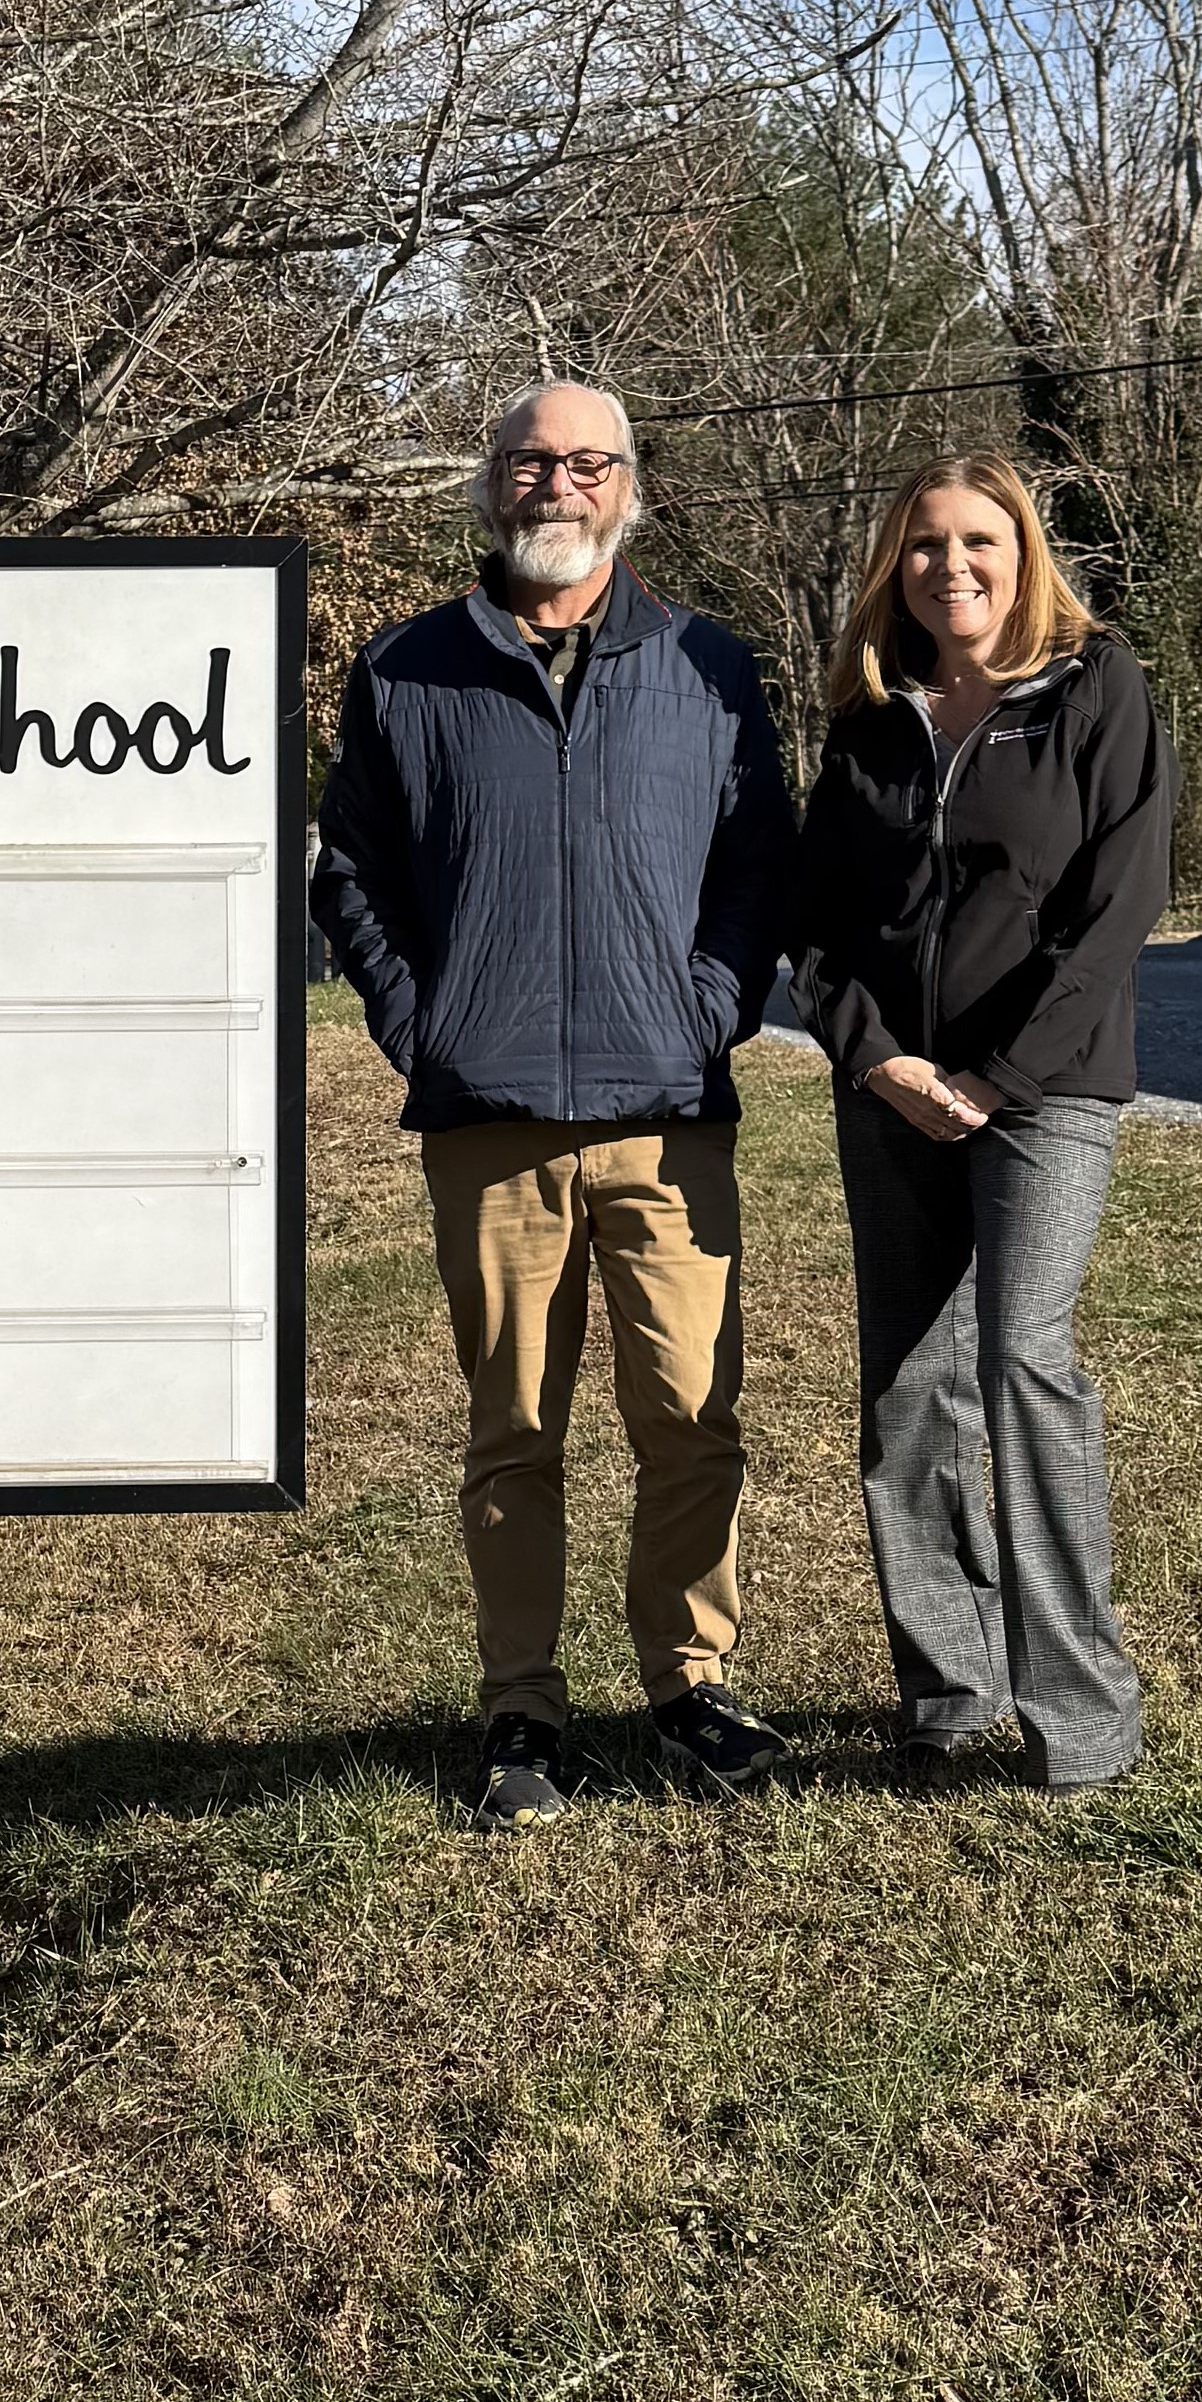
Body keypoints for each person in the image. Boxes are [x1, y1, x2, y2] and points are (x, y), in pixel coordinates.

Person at [313, 381, 798, 1826]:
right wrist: (426, 1031)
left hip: (667, 1110)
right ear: (489, 482)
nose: (555, 485)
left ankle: (689, 1684)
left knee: (689, 1420)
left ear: (628, 488)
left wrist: (706, 1013)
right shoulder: (407, 669)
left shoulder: (709, 666)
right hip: (489, 1113)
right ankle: (519, 1711)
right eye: (529, 460)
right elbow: (351, 873)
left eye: (586, 461)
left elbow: (754, 868)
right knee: (513, 1429)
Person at [788, 454, 1172, 1792]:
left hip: (1045, 1089)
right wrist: (881, 1062)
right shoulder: (867, 716)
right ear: (892, 564)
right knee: (904, 1389)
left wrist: (1002, 1076)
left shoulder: (1093, 687)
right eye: (924, 546)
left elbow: (1116, 906)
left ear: (1023, 555)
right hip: (894, 1091)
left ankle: (1079, 1720)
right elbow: (815, 925)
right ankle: (946, 1698)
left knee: (1020, 1360)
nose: (951, 567)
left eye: (979, 543)